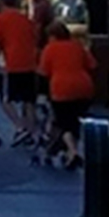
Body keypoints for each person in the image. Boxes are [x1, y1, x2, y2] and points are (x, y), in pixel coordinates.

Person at [38, 20, 97, 168]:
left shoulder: (50, 49)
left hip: (61, 89)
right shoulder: (78, 47)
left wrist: (41, 93)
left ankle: (73, 151)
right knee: (74, 121)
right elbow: (92, 65)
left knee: (62, 123)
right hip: (84, 87)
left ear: (52, 36)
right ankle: (68, 154)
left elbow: (43, 72)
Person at [0, 0, 38, 145]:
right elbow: (34, 38)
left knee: (5, 99)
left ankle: (20, 126)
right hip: (31, 63)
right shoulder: (26, 19)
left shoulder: (0, 20)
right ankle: (30, 131)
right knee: (29, 100)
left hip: (13, 64)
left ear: (2, 4)